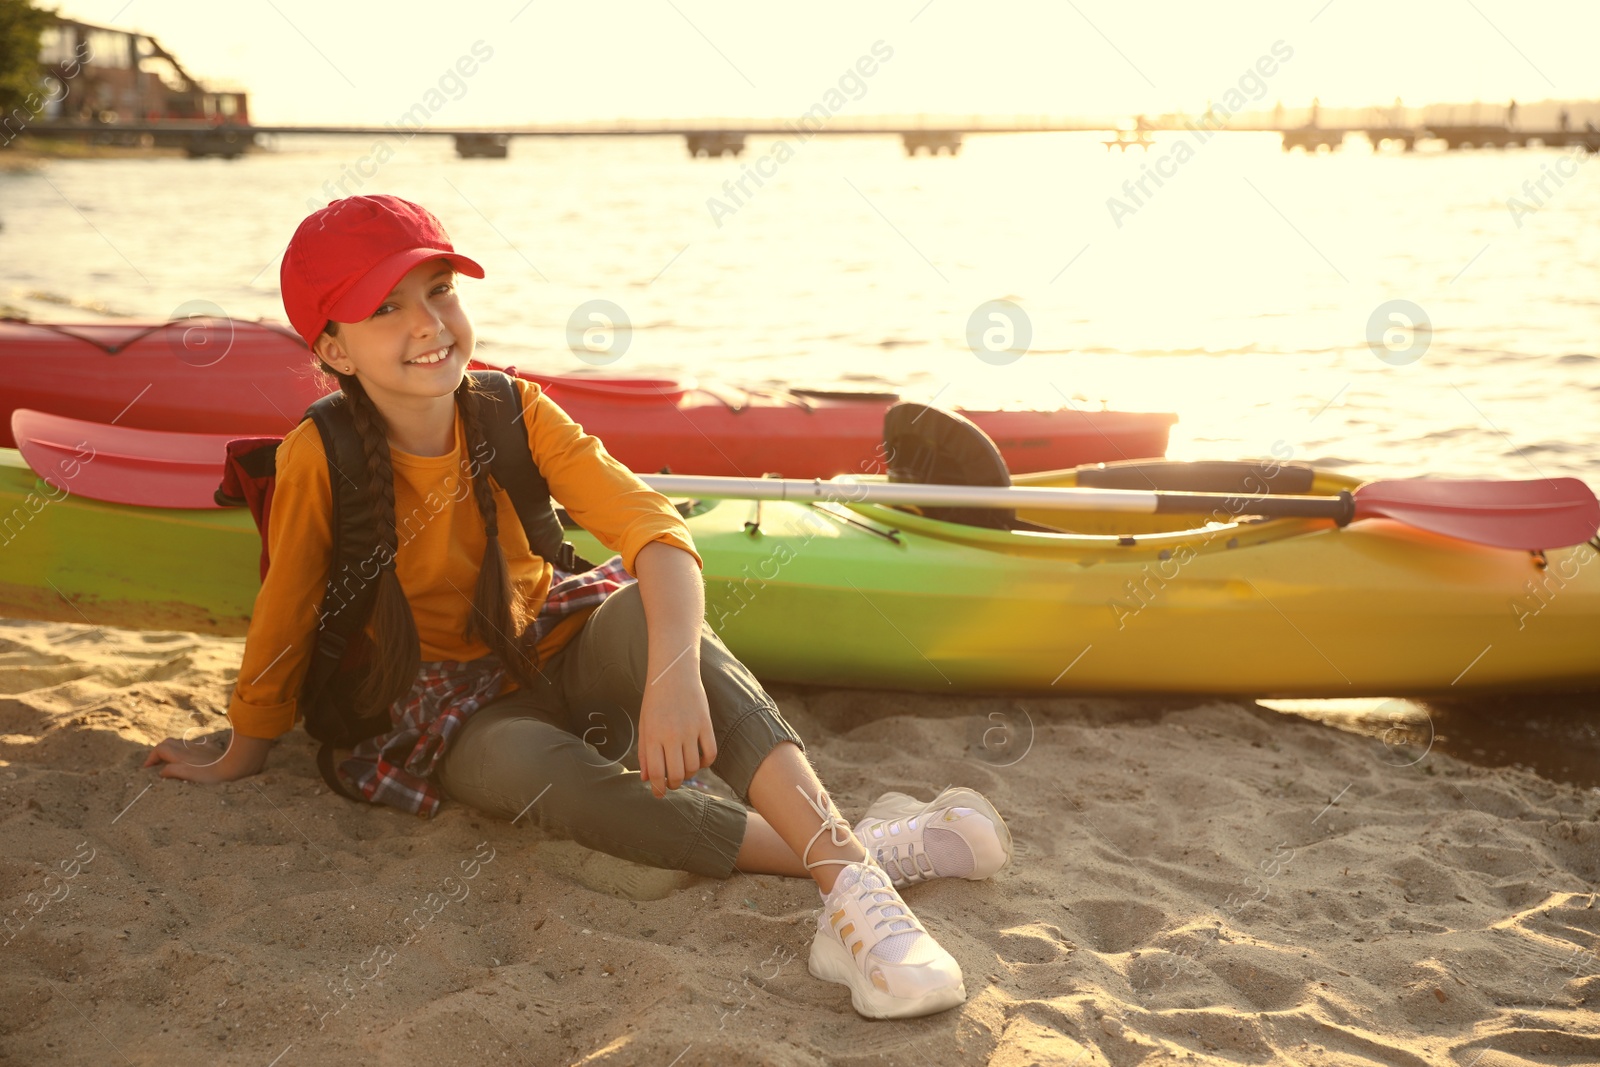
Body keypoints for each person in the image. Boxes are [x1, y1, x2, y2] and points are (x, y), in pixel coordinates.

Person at [142, 194, 1012, 1020]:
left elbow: (655, 531)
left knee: (648, 611)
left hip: (556, 641)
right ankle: (869, 854)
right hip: (445, 712)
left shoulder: (514, 409)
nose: (427, 323)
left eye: (438, 290)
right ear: (333, 350)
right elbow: (285, 613)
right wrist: (241, 751)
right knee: (534, 772)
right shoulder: (316, 458)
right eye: (385, 308)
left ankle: (851, 898)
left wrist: (671, 674)